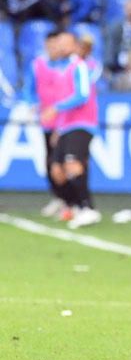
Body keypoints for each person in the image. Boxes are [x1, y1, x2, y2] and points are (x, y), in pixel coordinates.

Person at [42, 31, 101, 229]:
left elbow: (83, 95)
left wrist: (56, 108)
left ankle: (87, 208)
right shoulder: (63, 69)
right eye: (59, 43)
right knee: (57, 170)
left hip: (82, 123)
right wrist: (58, 128)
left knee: (74, 164)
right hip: (65, 126)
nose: (61, 47)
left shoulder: (80, 66)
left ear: (74, 46)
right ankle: (73, 204)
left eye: (65, 43)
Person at [22, 30, 73, 220]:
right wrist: (32, 103)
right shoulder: (38, 65)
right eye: (50, 45)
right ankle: (59, 197)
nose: (54, 49)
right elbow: (28, 88)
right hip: (47, 120)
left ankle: (71, 201)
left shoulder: (68, 65)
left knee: (63, 162)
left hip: (66, 120)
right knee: (50, 160)